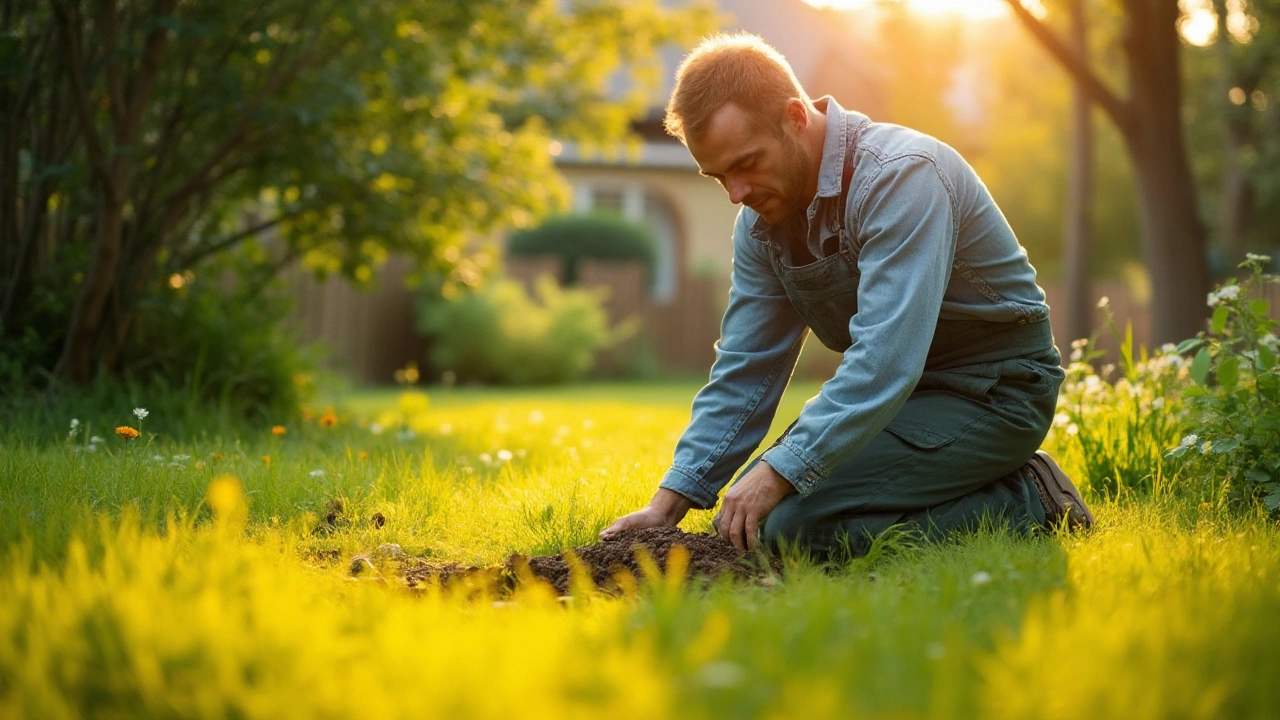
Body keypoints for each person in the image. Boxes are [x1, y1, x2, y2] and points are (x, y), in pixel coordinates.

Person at [599, 33, 1093, 557]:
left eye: (745, 163)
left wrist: (783, 469)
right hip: (898, 401)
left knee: (791, 528)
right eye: (718, 175)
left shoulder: (900, 178)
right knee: (743, 515)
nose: (736, 193)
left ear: (795, 117)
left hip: (994, 391)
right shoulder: (762, 224)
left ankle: (1032, 497)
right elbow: (746, 366)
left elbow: (885, 358)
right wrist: (668, 503)